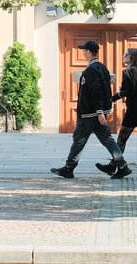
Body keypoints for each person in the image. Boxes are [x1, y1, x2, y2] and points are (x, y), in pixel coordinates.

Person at [51, 40, 131, 179]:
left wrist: (99, 112)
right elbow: (106, 90)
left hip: (89, 114)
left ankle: (69, 168)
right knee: (107, 140)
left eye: (84, 50)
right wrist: (105, 109)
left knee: (79, 140)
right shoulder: (102, 67)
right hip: (98, 113)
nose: (83, 52)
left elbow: (96, 92)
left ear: (89, 52)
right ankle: (122, 166)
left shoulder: (91, 70)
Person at [98, 47, 137, 178]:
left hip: (134, 110)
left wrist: (111, 99)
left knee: (122, 139)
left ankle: (115, 166)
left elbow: (126, 91)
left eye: (126, 54)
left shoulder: (127, 72)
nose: (124, 56)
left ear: (131, 57)